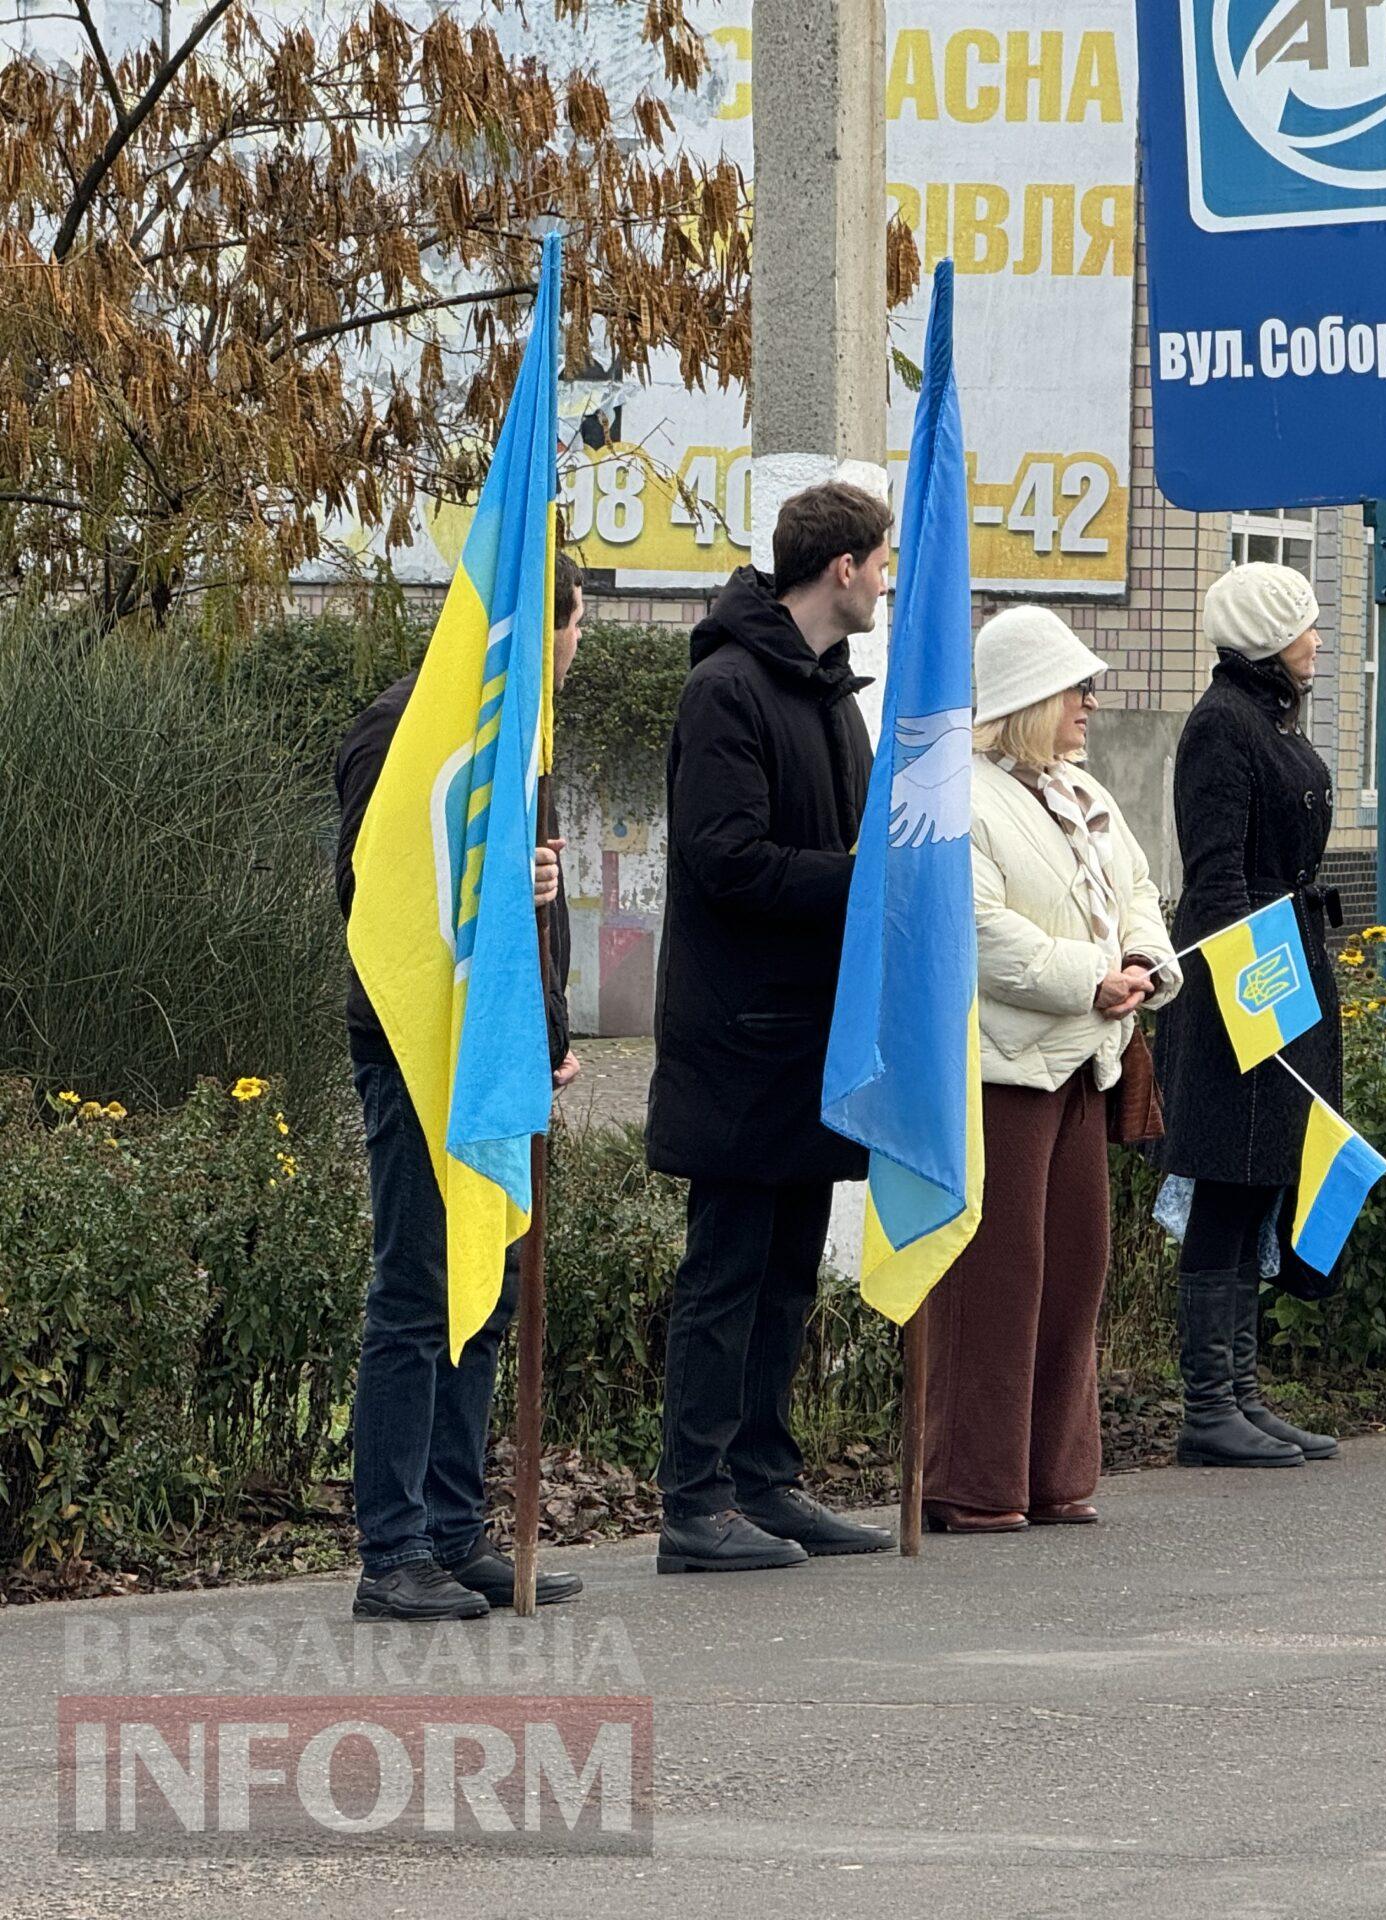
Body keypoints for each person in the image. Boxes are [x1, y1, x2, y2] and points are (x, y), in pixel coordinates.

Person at [648, 482, 900, 1573]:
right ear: (841, 568)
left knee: (789, 1270)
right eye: (881, 561)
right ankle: (694, 1501)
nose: (887, 581)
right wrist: (862, 881)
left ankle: (764, 1479)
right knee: (727, 1274)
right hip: (739, 1037)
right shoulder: (727, 689)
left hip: (813, 1034)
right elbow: (727, 860)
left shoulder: (834, 696)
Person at [338, 556, 588, 1621]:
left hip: (498, 1053)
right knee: (415, 1289)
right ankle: (392, 1548)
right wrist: (494, 888)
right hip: (418, 1048)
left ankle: (451, 1529)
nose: (576, 652)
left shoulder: (522, 735)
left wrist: (549, 1030)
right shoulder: (402, 729)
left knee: (487, 1280)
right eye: (574, 629)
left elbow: (533, 916)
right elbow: (378, 893)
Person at [917, 607, 1179, 1530]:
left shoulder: (1081, 789)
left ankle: (1050, 1474)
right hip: (1002, 1073)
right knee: (997, 1278)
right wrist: (1090, 979)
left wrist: (1143, 960)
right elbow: (975, 927)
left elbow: (1136, 888)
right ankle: (971, 1483)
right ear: (1028, 696)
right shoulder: (961, 796)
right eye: (1075, 687)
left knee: (1074, 1270)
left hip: (1083, 1062)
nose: (1091, 702)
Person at [1152, 562, 1343, 1469]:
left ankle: (1241, 1394)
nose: (1318, 641)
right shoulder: (1222, 724)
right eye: (1305, 625)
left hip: (1285, 958)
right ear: (1269, 635)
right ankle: (1208, 1406)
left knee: (1265, 1173)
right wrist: (1250, 1002)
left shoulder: (1266, 714)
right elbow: (1217, 878)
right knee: (1228, 1180)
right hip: (1246, 973)